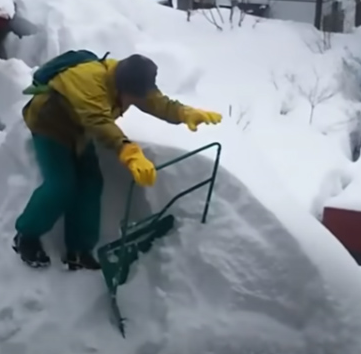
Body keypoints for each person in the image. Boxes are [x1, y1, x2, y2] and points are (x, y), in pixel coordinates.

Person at [12, 51, 222, 270]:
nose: (133, 103)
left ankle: (78, 250)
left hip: (80, 131)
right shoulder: (88, 80)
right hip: (50, 124)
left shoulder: (130, 81)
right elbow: (99, 122)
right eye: (131, 99)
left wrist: (185, 113)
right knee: (61, 184)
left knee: (91, 184)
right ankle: (26, 236)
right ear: (121, 87)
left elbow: (155, 101)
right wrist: (129, 152)